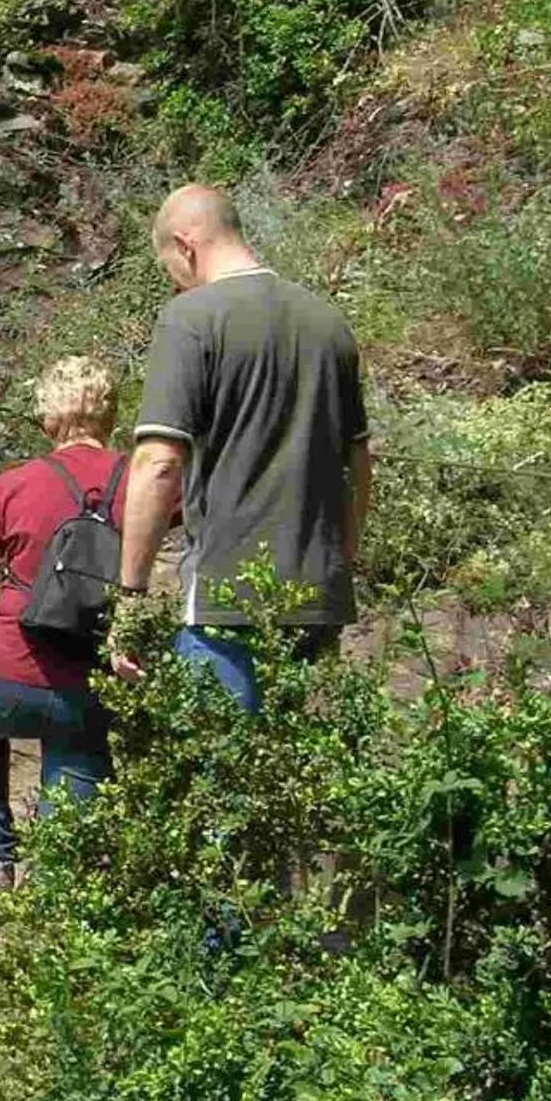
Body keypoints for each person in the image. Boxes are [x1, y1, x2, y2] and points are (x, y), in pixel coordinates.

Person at [115, 185, 372, 708]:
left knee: (220, 773)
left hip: (226, 603)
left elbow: (159, 464)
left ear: (186, 245)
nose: (174, 279)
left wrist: (131, 595)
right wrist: (338, 560)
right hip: (318, 600)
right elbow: (359, 464)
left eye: (170, 265)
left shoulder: (191, 318)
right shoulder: (329, 323)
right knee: (301, 776)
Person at [0, 356, 127, 897]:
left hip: (9, 670)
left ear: (47, 419)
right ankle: (56, 892)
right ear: (109, 414)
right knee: (75, 772)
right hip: (91, 679)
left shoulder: (16, 485)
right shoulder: (142, 478)